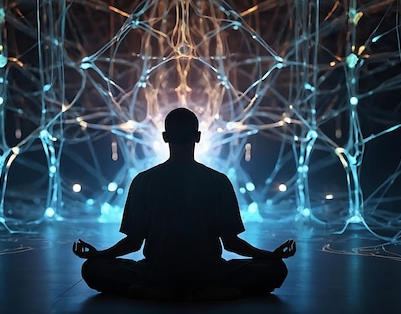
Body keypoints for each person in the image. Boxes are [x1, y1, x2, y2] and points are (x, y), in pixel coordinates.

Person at [73, 108, 296, 301]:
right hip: (209, 273)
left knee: (93, 269)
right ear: (198, 137)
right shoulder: (218, 181)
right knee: (274, 270)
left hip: (156, 273)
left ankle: (146, 291)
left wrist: (99, 256)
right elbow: (231, 243)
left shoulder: (144, 180)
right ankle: (212, 291)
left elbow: (132, 243)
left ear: (164, 136)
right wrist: (270, 257)